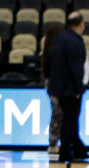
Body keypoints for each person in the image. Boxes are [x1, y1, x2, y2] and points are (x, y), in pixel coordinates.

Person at [48, 11, 89, 162]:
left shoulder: (60, 39)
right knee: (70, 121)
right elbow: (76, 69)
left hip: (58, 88)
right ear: (80, 24)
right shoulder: (76, 41)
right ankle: (66, 152)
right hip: (71, 90)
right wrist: (79, 89)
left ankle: (77, 150)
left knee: (67, 120)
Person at [40, 23, 65, 155]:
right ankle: (53, 142)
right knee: (57, 113)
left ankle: (55, 141)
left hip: (51, 84)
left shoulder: (49, 50)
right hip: (55, 85)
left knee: (57, 113)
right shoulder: (54, 51)